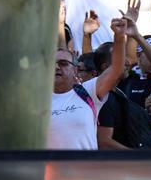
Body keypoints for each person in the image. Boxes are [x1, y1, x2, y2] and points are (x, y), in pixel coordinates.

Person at [47, 17, 127, 150]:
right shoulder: (38, 101)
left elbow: (116, 69)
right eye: (52, 64)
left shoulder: (87, 92)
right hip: (50, 169)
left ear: (75, 69)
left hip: (85, 169)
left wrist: (119, 36)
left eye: (63, 63)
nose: (56, 67)